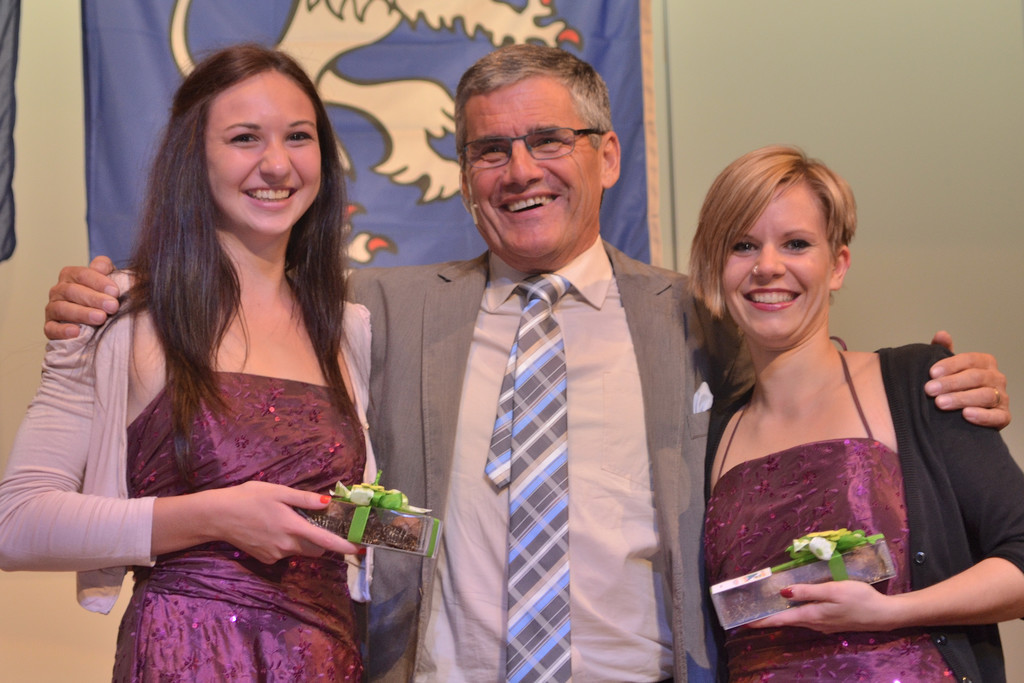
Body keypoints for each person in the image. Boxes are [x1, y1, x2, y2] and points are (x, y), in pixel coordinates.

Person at [40, 46, 1011, 682]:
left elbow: (807, 393)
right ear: (465, 177)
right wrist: (104, 296)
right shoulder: (377, 310)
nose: (519, 170)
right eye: (489, 150)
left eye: (548, 139)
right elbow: (247, 303)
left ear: (608, 155)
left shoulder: (699, 318)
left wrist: (937, 386)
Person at [0, 44, 374, 680]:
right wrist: (213, 516)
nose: (277, 163)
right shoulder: (116, 314)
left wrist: (387, 530)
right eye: (245, 138)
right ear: (193, 156)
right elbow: (18, 523)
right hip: (186, 657)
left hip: (326, 659)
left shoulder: (348, 328)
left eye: (299, 136)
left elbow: (342, 522)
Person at [691, 145, 1024, 682]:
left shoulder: (920, 384)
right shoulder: (709, 438)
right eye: (743, 245)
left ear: (838, 265)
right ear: (716, 266)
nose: (767, 266)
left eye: (796, 243)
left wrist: (890, 611)